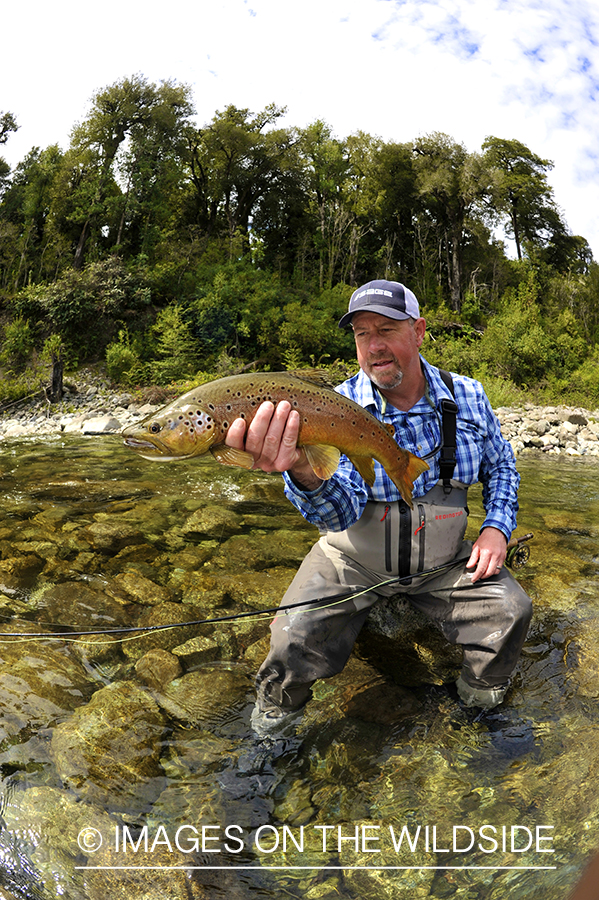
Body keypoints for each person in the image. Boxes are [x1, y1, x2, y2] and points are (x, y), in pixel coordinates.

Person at [226, 280, 533, 738]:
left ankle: (477, 708)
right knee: (292, 636)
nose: (373, 347)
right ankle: (271, 729)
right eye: (361, 335)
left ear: (419, 331)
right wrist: (302, 471)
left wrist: (496, 528)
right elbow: (338, 513)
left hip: (444, 562)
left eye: (386, 330)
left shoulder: (468, 396)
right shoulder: (331, 407)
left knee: (512, 612)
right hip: (353, 560)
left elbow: (501, 466)